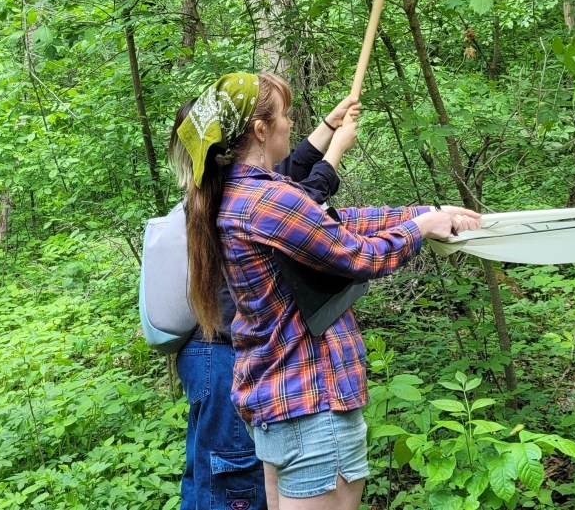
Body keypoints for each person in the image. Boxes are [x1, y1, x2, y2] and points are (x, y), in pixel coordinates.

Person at [175, 72, 480, 510]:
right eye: (284, 116)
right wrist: (418, 230)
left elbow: (331, 221)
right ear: (260, 129)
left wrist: (425, 214)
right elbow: (358, 256)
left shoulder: (241, 193)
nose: (289, 124)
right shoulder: (265, 201)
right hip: (312, 399)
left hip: (278, 399)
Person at [168, 88, 362, 510]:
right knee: (235, 482)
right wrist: (337, 151)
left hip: (208, 353)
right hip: (221, 354)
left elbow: (289, 173)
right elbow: (301, 205)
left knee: (208, 471)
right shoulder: (237, 200)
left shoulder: (213, 189)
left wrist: (327, 128)